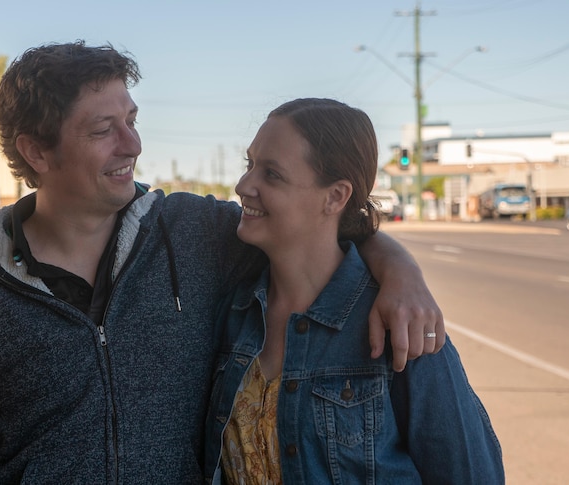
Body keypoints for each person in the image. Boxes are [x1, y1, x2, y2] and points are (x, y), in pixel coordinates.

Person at [0, 42, 445, 484]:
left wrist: (399, 269)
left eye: (131, 120)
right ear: (37, 152)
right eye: (102, 130)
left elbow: (313, 225)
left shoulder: (194, 233)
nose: (132, 144)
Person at [203, 98, 504, 484]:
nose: (244, 185)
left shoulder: (402, 323)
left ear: (335, 197)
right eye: (250, 165)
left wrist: (400, 270)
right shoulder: (234, 312)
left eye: (272, 174)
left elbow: (471, 474)